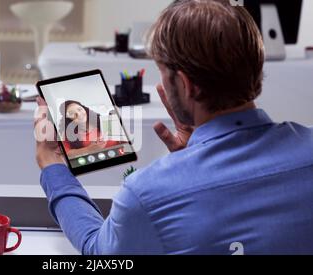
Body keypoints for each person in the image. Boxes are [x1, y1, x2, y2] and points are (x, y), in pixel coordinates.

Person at [34, 0, 313, 255]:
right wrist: (192, 156)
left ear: (185, 84)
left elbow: (99, 252)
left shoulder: (147, 195)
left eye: (163, 73)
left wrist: (53, 166)